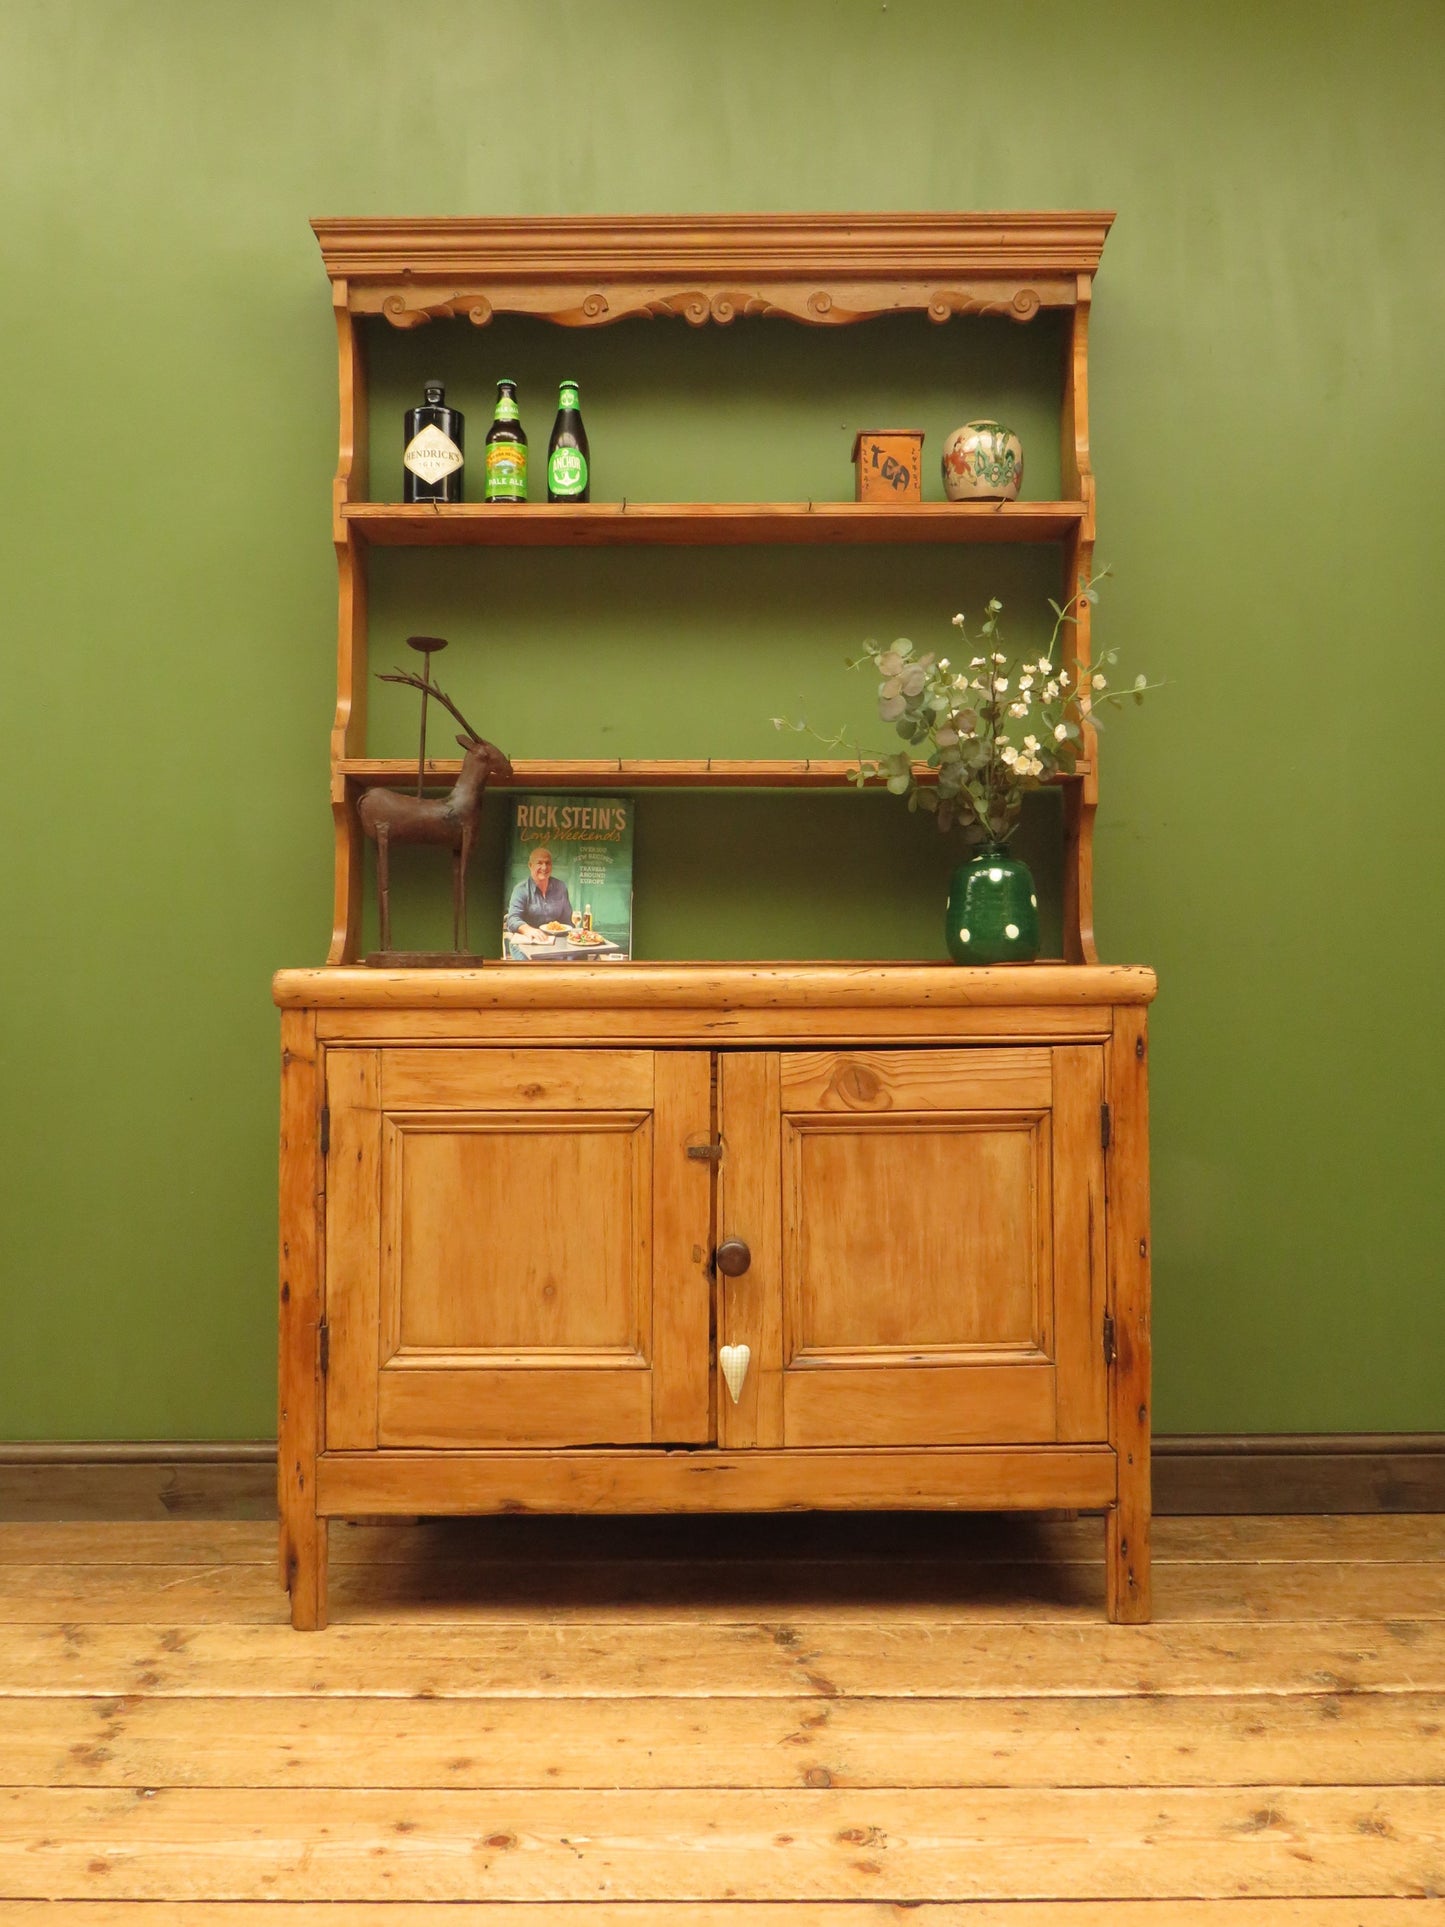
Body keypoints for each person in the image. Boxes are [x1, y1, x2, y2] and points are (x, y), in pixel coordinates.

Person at [505, 845, 574, 939]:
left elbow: (567, 920)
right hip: (528, 941)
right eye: (539, 863)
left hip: (556, 941)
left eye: (547, 863)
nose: (544, 867)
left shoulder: (561, 887)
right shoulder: (520, 889)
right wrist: (528, 930)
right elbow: (513, 919)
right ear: (530, 865)